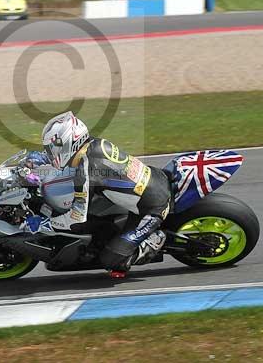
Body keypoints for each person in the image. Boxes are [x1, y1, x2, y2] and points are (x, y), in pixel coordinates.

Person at [28, 111, 172, 278]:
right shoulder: (92, 144)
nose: (51, 152)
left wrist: (43, 224)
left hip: (152, 206)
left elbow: (76, 219)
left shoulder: (86, 171)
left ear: (71, 143)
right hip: (153, 179)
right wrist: (38, 160)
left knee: (112, 261)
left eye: (53, 148)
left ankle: (153, 240)